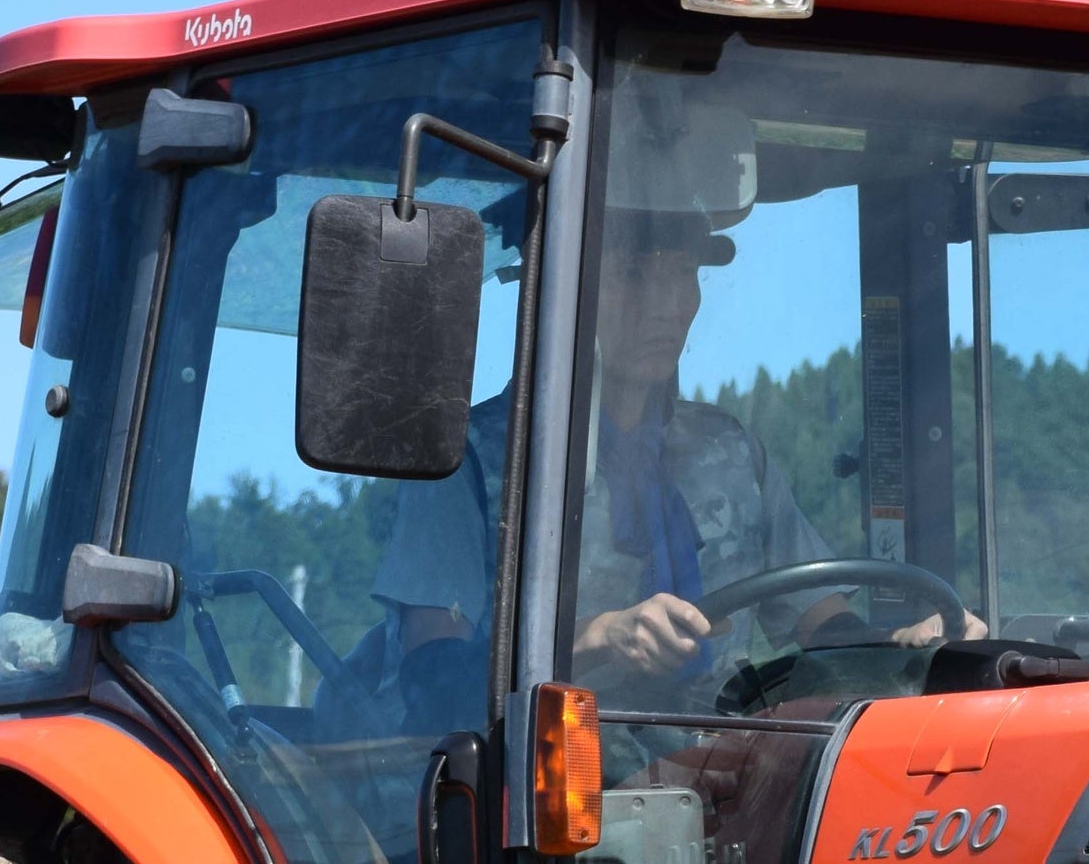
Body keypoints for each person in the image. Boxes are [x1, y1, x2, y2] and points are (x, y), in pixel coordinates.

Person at [373, 208, 972, 711]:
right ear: (557, 286)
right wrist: (600, 637)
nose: (665, 306)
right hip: (539, 784)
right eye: (633, 274)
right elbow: (435, 674)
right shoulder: (467, 462)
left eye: (682, 273)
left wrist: (899, 645)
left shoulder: (731, 452)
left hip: (722, 770)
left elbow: (821, 626)